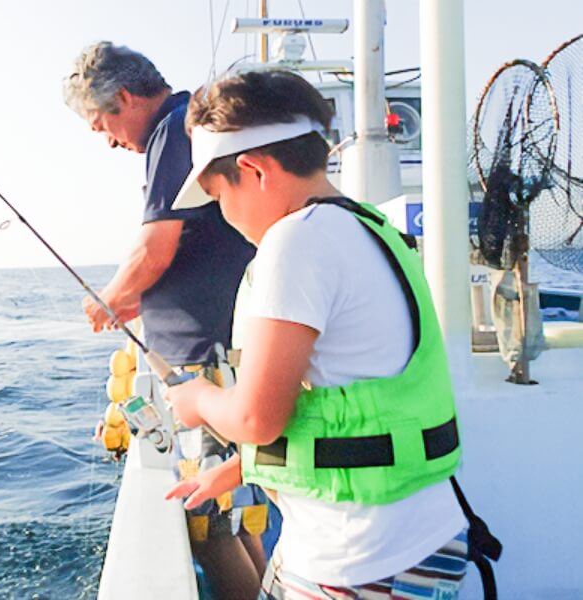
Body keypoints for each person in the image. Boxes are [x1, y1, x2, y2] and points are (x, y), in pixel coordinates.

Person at [165, 69, 474, 599]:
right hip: (425, 538)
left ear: (254, 171)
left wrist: (195, 398)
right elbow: (355, 400)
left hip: (360, 559)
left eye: (219, 197)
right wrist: (239, 470)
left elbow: (256, 417)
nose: (224, 215)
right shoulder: (370, 228)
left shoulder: (295, 242)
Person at [63, 42, 266, 599]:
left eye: (101, 122)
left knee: (208, 523)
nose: (106, 139)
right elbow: (189, 243)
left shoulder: (171, 131)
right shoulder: (185, 126)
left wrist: (108, 297)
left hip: (203, 359)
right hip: (219, 352)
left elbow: (157, 245)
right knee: (233, 512)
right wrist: (132, 301)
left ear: (125, 97)